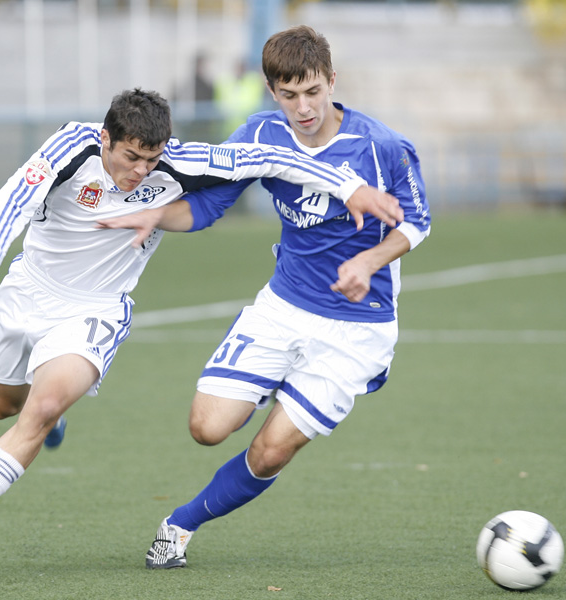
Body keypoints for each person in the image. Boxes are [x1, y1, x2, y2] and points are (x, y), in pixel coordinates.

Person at [0, 87, 404, 563]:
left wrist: (350, 187)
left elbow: (269, 159)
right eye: (131, 157)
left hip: (95, 310)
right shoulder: (70, 146)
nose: (141, 171)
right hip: (26, 295)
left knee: (39, 410)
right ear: (106, 138)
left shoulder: (181, 160)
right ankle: (52, 414)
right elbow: (9, 202)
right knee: (4, 406)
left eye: (151, 159)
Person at [98, 26, 431, 569]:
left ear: (332, 81)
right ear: (271, 90)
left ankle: (180, 525)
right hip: (283, 308)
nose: (304, 108)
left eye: (313, 91)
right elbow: (210, 206)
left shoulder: (382, 146)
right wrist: (155, 215)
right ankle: (269, 381)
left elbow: (417, 222)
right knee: (207, 427)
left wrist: (369, 261)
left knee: (271, 450)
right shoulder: (259, 134)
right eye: (289, 95)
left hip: (357, 327)